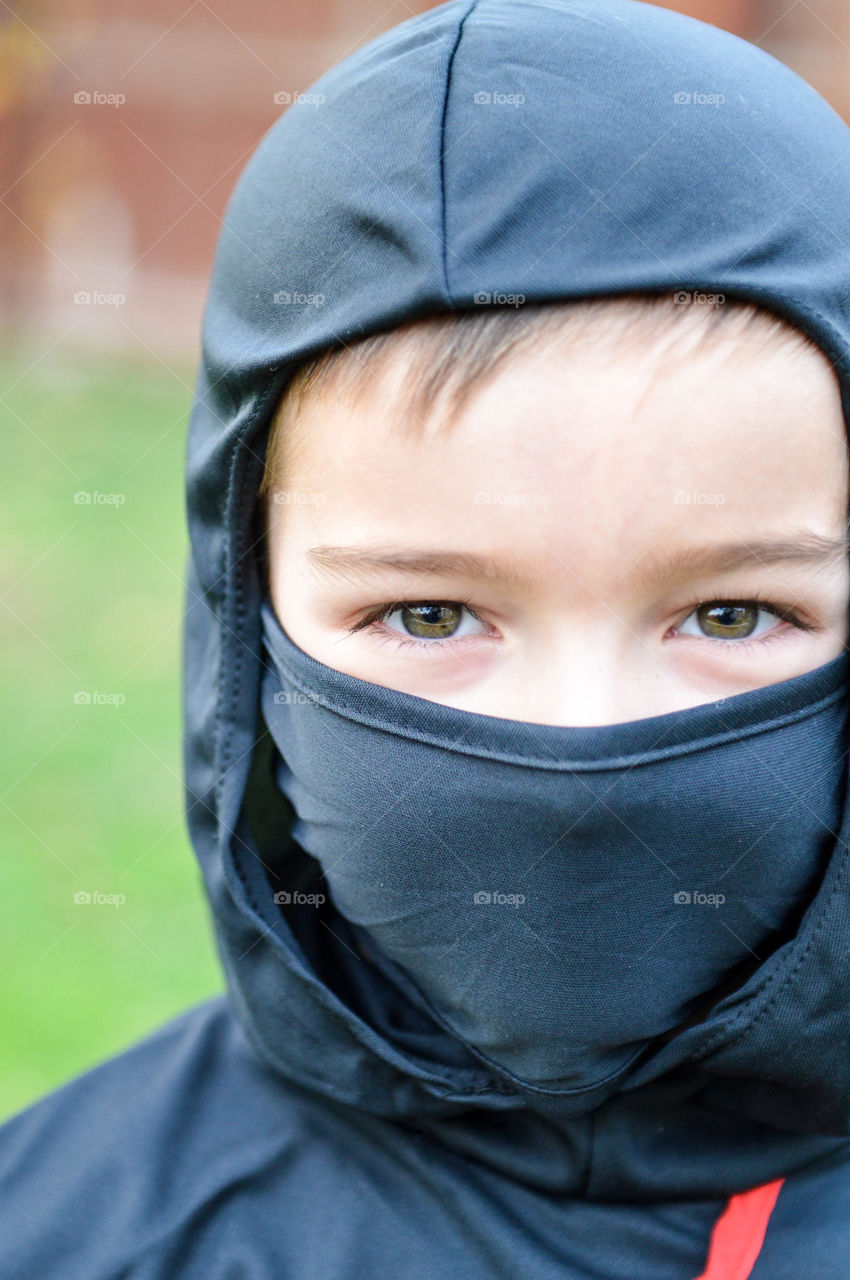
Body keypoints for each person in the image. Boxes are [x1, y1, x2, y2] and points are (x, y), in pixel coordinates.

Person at [3, 0, 850, 1274]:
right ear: (246, 631)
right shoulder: (74, 1233)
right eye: (430, 613)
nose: (581, 740)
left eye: (729, 613)